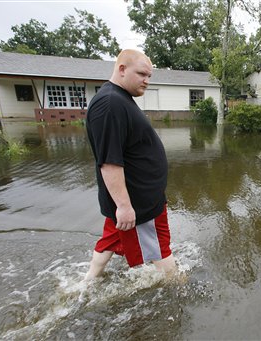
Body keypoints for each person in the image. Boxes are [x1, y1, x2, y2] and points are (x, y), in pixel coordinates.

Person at [84, 49, 176, 280]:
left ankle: (87, 283)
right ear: (122, 69)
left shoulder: (119, 99)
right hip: (139, 203)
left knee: (111, 239)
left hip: (134, 198)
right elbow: (109, 161)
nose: (147, 80)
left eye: (149, 76)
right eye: (142, 74)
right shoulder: (110, 104)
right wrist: (124, 207)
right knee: (159, 248)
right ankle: (177, 287)